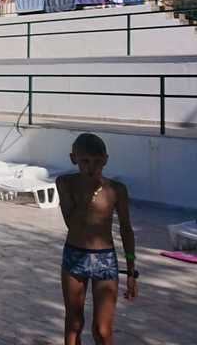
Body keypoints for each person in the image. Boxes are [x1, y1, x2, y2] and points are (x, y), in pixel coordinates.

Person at [55, 133, 137, 345]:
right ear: (73, 158)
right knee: (74, 323)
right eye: (85, 161)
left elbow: (126, 229)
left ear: (106, 160)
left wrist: (131, 270)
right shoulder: (65, 183)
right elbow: (72, 223)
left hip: (105, 259)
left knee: (102, 330)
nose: (91, 168)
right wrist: (86, 195)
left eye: (97, 162)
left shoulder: (116, 190)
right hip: (75, 256)